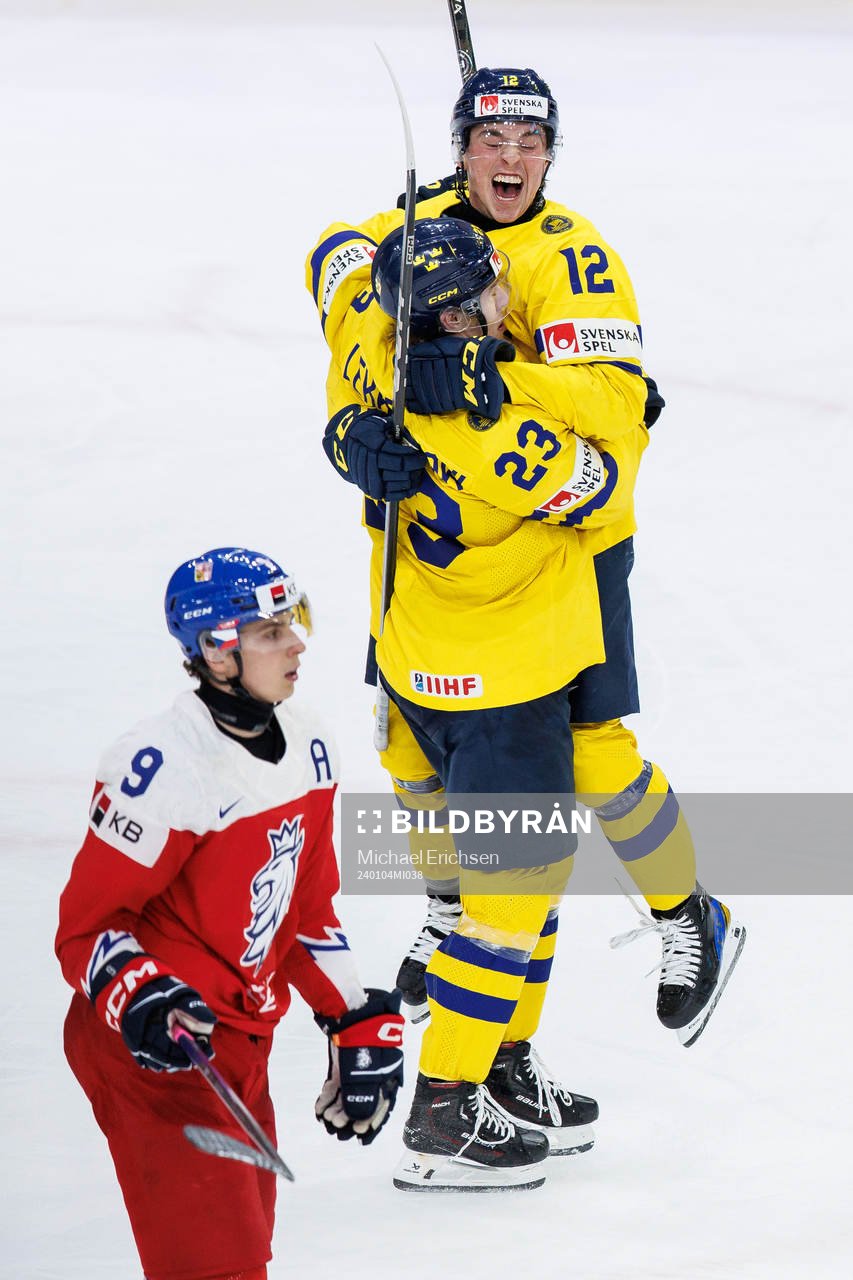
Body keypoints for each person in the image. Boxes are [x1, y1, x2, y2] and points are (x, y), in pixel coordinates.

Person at [307, 66, 745, 1054]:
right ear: (461, 147)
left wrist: (493, 373)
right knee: (407, 743)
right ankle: (450, 906)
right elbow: (338, 277)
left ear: (551, 154)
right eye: (491, 140)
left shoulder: (573, 255)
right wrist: (347, 433)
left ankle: (685, 909)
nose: (510, 158)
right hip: (429, 556)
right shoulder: (412, 227)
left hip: (564, 541)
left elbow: (618, 404)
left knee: (585, 757)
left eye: (529, 143)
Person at [321, 216, 651, 1192]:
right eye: (494, 291)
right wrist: (514, 383)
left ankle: (502, 1067)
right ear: (466, 315)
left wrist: (342, 431)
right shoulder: (501, 433)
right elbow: (603, 487)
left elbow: (332, 259)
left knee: (514, 897)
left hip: (413, 672)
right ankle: (445, 1108)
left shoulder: (369, 351)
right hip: (508, 692)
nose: (511, 298)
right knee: (508, 905)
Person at [55, 547, 404, 1280]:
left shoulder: (310, 743)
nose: (297, 644)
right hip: (158, 1053)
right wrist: (142, 996)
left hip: (241, 1042)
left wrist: (348, 1012)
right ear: (216, 650)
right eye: (271, 631)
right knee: (217, 1268)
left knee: (242, 1252)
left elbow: (303, 908)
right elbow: (86, 928)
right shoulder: (161, 767)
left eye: (293, 623)